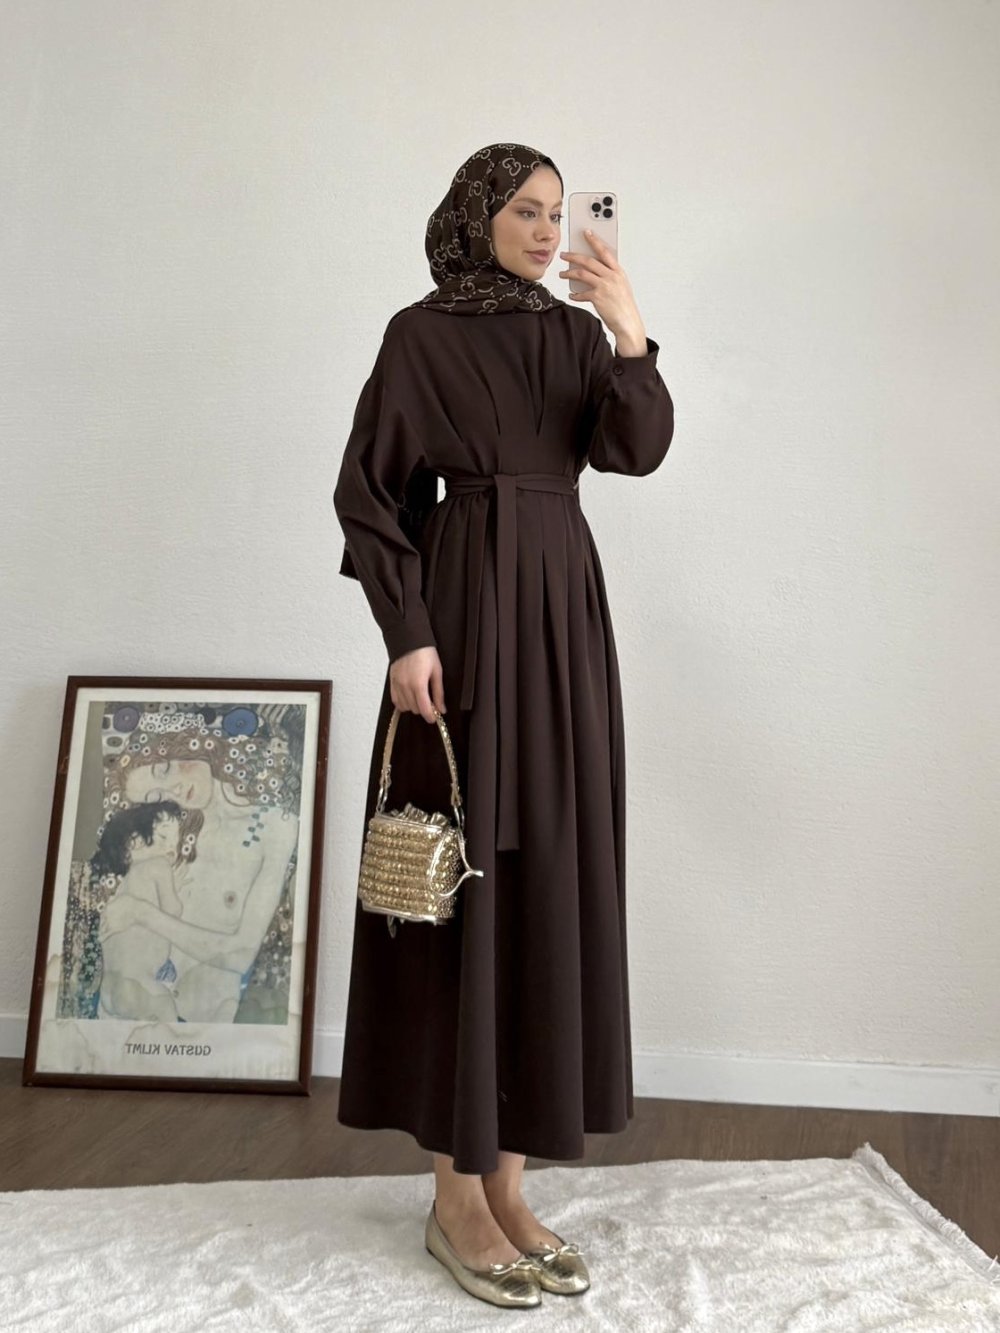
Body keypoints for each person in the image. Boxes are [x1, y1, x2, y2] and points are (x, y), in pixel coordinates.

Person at [332, 142, 675, 1309]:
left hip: (563, 624)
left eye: (557, 213)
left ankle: (511, 1187)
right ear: (476, 214)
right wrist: (407, 634)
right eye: (525, 209)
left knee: (545, 880)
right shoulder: (418, 336)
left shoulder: (574, 335)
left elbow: (634, 450)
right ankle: (454, 1198)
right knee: (467, 888)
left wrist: (627, 328)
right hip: (465, 617)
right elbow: (370, 493)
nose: (544, 229)